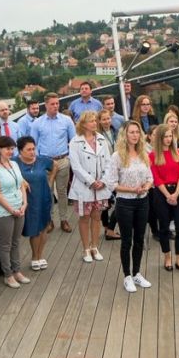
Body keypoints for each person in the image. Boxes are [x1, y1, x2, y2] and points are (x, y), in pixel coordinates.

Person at [103, 120, 156, 292]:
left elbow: (150, 177)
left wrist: (146, 186)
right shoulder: (117, 156)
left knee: (140, 239)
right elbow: (111, 183)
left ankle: (137, 273)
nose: (135, 135)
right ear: (124, 135)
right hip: (125, 203)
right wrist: (132, 189)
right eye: (131, 132)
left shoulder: (143, 153)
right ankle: (127, 276)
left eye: (137, 132)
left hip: (143, 201)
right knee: (127, 241)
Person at [0, 135, 31, 289]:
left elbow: (21, 185)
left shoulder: (14, 164)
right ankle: (8, 275)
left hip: (19, 208)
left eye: (12, 149)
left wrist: (24, 203)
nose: (11, 151)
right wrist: (11, 209)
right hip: (4, 211)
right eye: (8, 149)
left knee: (16, 242)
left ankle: (17, 270)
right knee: (6, 244)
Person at [69, 111, 113, 263]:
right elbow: (76, 166)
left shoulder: (102, 139)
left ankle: (95, 247)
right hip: (84, 187)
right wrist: (91, 181)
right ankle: (86, 249)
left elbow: (109, 163)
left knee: (97, 217)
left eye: (95, 120)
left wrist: (104, 180)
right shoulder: (75, 142)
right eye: (91, 121)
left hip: (100, 187)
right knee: (84, 218)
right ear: (83, 124)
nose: (95, 123)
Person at [30, 92, 76, 233]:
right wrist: (38, 161)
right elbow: (33, 144)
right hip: (45, 162)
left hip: (62, 160)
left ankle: (64, 219)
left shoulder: (66, 120)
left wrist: (69, 158)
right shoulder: (37, 123)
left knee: (62, 192)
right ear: (46, 105)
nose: (56, 106)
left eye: (57, 103)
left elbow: (74, 140)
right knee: (47, 193)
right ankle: (49, 220)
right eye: (52, 104)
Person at [150, 123, 179, 275]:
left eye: (170, 136)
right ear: (159, 138)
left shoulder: (177, 153)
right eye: (165, 136)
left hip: (177, 192)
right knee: (164, 228)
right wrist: (168, 195)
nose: (168, 139)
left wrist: (176, 193)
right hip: (161, 193)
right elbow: (156, 178)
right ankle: (167, 257)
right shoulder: (152, 155)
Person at [15, 136, 55, 271]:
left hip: (43, 196)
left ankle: (40, 255)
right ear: (20, 151)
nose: (32, 152)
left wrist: (50, 180)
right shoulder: (14, 162)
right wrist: (21, 181)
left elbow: (54, 165)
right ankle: (34, 256)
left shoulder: (42, 160)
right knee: (34, 228)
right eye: (28, 150)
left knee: (44, 227)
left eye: (33, 149)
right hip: (28, 200)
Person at [97, 109, 121, 241]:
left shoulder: (115, 131)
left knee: (120, 199)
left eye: (108, 118)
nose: (107, 121)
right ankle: (107, 228)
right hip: (104, 171)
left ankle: (111, 227)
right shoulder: (97, 136)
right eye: (104, 119)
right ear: (99, 121)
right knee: (105, 202)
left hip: (117, 168)